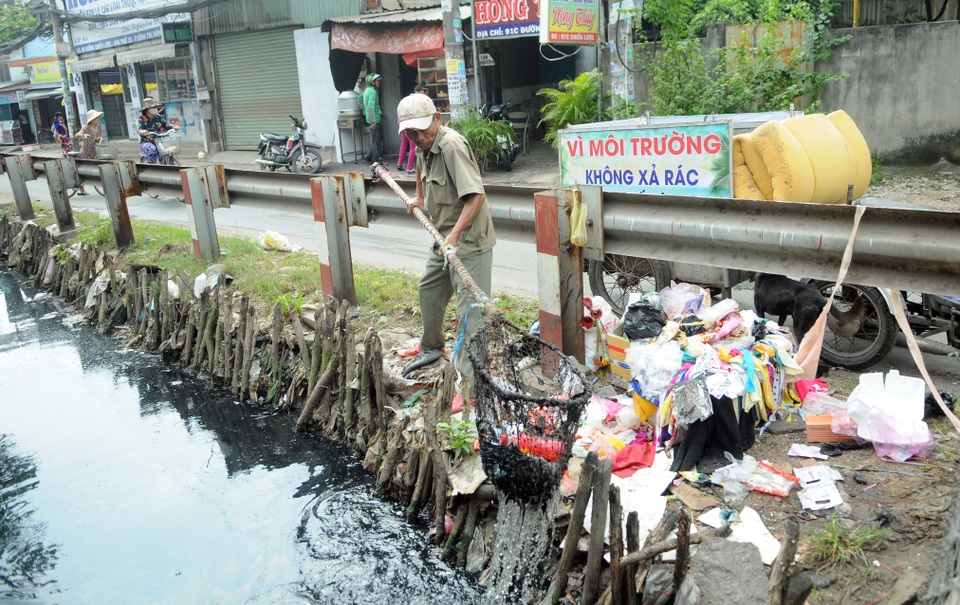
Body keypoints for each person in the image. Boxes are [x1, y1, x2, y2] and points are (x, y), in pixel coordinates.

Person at [396, 93, 496, 402]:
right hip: (443, 238)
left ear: (437, 119)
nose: (418, 137)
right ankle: (432, 347)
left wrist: (453, 236)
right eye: (411, 133)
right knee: (429, 290)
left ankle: (469, 384)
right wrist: (419, 199)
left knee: (470, 314)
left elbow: (475, 196)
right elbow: (421, 171)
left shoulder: (451, 146)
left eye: (423, 130)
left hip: (468, 242)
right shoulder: (424, 145)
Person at [396, 81, 428, 175]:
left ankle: (399, 163)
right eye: (424, 92)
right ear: (421, 92)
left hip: (402, 123)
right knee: (413, 147)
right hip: (410, 124)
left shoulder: (407, 98)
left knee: (404, 144)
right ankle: (409, 168)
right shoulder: (417, 100)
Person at [137, 97, 177, 163]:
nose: (155, 109)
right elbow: (139, 129)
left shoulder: (158, 117)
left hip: (159, 141)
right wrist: (142, 131)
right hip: (146, 142)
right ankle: (152, 167)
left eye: (156, 107)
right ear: (147, 109)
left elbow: (166, 125)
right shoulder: (141, 119)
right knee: (152, 150)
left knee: (168, 152)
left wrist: (174, 128)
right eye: (153, 108)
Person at [361, 73, 383, 163]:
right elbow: (370, 107)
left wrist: (364, 110)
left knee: (375, 138)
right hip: (374, 120)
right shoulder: (373, 92)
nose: (379, 82)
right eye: (377, 81)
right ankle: (376, 159)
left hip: (370, 118)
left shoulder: (367, 90)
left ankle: (369, 156)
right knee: (376, 140)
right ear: (372, 82)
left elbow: (359, 98)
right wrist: (373, 122)